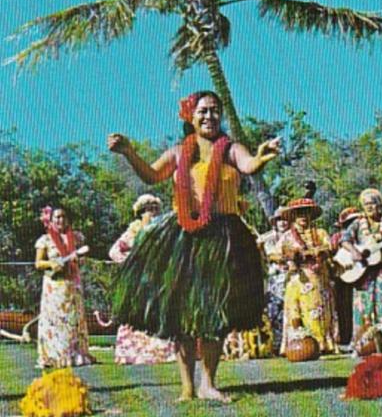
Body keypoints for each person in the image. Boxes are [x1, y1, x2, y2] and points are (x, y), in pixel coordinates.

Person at [107, 90, 281, 401]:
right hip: (183, 240)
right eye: (203, 111)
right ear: (190, 115)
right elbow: (151, 175)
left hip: (223, 238)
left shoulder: (230, 149)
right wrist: (128, 151)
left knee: (214, 315)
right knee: (183, 316)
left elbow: (249, 164)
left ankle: (208, 383)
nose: (209, 116)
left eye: (215, 111)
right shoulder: (177, 152)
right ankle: (187, 387)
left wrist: (261, 156)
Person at [108, 194, 177, 365]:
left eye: (155, 209)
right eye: (148, 209)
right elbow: (114, 251)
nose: (153, 213)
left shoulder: (162, 230)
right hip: (139, 281)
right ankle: (133, 351)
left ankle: (161, 351)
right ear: (141, 212)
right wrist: (131, 261)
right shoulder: (133, 231)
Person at [340, 189, 382, 350]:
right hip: (362, 272)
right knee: (363, 304)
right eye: (366, 204)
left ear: (379, 205)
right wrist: (354, 251)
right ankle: (362, 341)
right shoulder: (357, 223)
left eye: (372, 203)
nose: (369, 207)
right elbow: (345, 240)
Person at [34, 207, 96, 368]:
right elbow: (38, 263)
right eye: (57, 217)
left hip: (72, 285)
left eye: (63, 217)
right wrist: (52, 263)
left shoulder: (75, 238)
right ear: (51, 220)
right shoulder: (45, 240)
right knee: (55, 322)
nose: (60, 220)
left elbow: (83, 259)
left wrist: (77, 260)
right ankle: (55, 356)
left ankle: (75, 354)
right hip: (54, 287)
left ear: (67, 219)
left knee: (73, 321)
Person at [277, 198, 339, 355]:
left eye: (306, 213)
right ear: (293, 216)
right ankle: (296, 346)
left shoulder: (320, 233)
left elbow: (329, 248)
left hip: (318, 277)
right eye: (299, 213)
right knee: (295, 312)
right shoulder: (287, 237)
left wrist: (320, 252)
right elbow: (274, 254)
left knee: (319, 310)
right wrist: (289, 255)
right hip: (297, 278)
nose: (303, 216)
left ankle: (323, 343)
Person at [256, 207, 290, 355]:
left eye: (285, 219)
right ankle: (276, 344)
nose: (283, 223)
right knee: (274, 311)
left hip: (292, 276)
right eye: (280, 220)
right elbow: (268, 255)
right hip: (275, 278)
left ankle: (290, 343)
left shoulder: (294, 236)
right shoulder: (268, 238)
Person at [329, 206, 361, 346]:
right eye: (350, 222)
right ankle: (344, 336)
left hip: (360, 273)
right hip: (341, 275)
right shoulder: (337, 237)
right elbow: (331, 255)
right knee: (343, 306)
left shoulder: (362, 236)